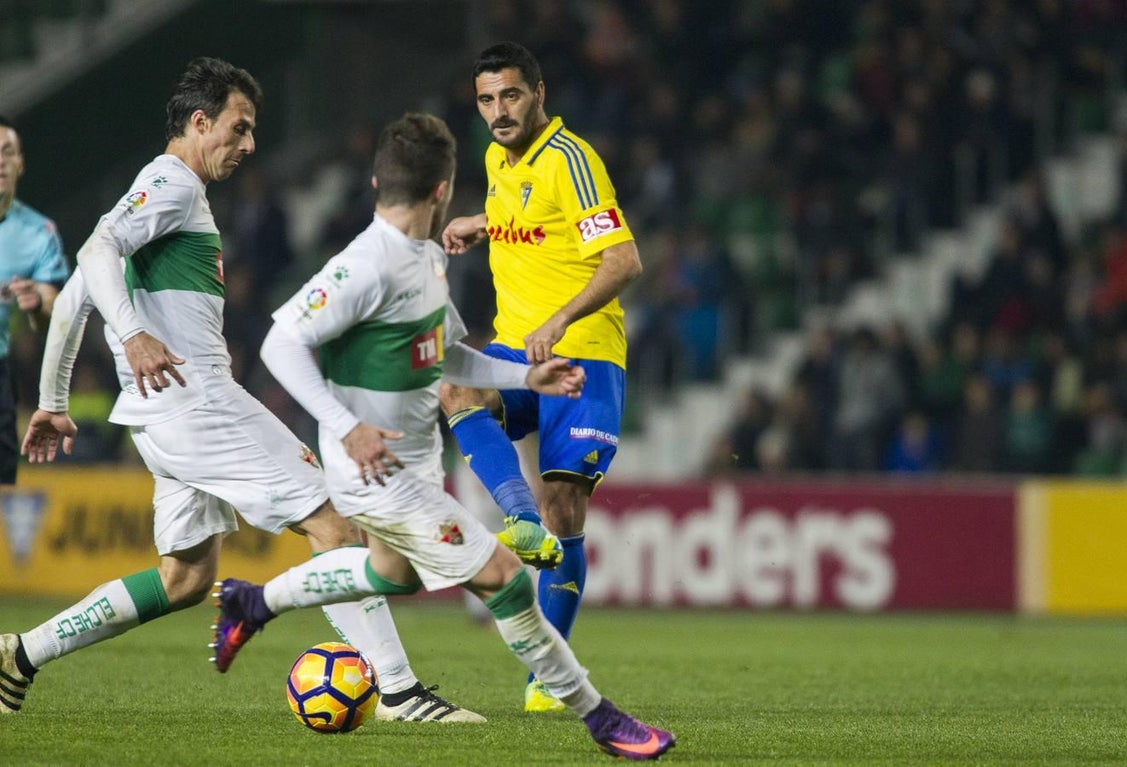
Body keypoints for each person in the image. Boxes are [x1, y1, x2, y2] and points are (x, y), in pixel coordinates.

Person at [2, 57, 480, 725]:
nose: (249, 144)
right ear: (201, 123)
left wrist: (54, 400)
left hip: (164, 417)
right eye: (240, 127)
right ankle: (400, 692)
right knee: (334, 521)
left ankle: (20, 653)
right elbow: (94, 257)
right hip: (198, 404)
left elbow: (83, 282)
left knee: (187, 578)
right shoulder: (171, 183)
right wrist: (137, 335)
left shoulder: (160, 194)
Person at [213, 111, 674, 760]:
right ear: (442, 191)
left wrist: (528, 373)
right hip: (379, 473)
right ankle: (602, 718)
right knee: (506, 579)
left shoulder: (426, 259)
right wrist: (346, 429)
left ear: (380, 181)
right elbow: (279, 342)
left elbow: (453, 355)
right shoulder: (366, 265)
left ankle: (252, 601)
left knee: (387, 571)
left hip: (412, 464)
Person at [438, 41, 643, 713]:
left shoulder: (572, 160)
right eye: (487, 100)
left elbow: (622, 260)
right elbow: (530, 222)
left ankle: (550, 677)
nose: (498, 112)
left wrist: (557, 320)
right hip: (513, 351)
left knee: (567, 509)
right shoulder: (500, 160)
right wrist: (480, 221)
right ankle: (516, 517)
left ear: (539, 93)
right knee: (457, 391)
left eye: (511, 96)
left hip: (582, 348)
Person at [0, 115, 70, 484]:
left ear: (20, 162)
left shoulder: (38, 233)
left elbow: (50, 310)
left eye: (6, 152)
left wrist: (36, 306)